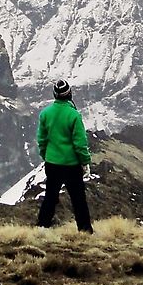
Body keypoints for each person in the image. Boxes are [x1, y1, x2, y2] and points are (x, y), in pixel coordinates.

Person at [35, 79, 94, 233]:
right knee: (78, 199)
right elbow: (80, 143)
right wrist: (85, 162)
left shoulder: (45, 114)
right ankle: (85, 231)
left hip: (52, 163)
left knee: (50, 196)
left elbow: (41, 139)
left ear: (55, 95)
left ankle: (42, 227)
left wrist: (46, 155)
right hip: (71, 165)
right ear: (69, 94)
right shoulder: (74, 115)